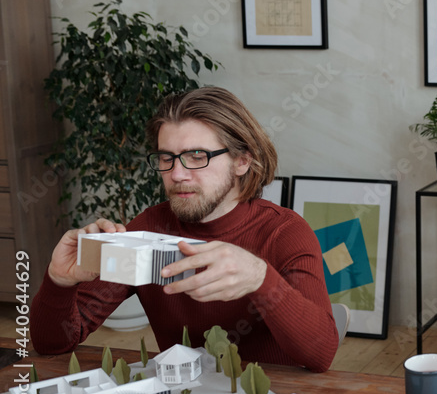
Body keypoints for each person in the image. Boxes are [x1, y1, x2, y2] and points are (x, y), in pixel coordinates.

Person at [30, 86, 338, 372]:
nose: (177, 174)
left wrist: (261, 278)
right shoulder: (148, 228)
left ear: (242, 160)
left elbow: (321, 356)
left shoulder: (285, 232)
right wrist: (59, 281)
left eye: (196, 156)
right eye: (167, 158)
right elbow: (52, 345)